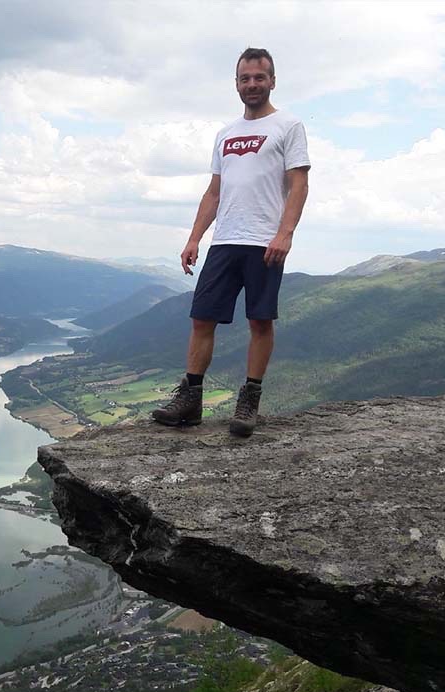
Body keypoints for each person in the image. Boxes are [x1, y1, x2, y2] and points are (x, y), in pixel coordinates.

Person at [151, 47, 311, 437]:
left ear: (272, 81)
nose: (252, 84)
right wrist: (194, 237)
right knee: (202, 317)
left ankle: (249, 401)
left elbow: (299, 184)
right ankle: (190, 400)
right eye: (245, 78)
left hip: (264, 241)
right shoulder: (226, 134)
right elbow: (213, 193)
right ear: (236, 84)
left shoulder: (288, 126)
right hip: (225, 240)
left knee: (260, 320)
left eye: (260, 77)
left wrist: (285, 233)